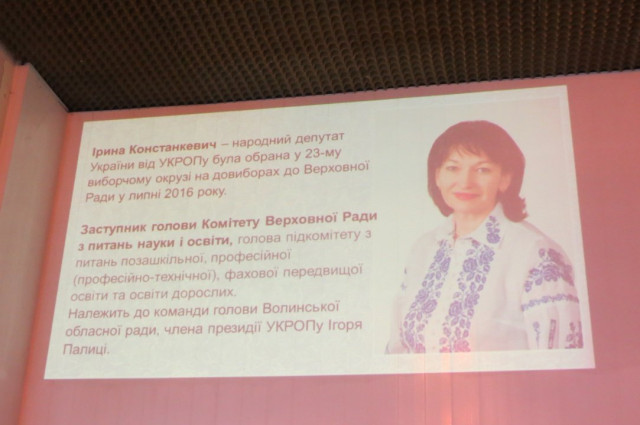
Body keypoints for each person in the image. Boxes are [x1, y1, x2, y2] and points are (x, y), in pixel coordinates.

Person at [387, 120, 583, 353]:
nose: (465, 182)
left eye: (482, 170)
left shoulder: (537, 253)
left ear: (505, 178)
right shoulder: (423, 248)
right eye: (453, 168)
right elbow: (397, 350)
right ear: (437, 176)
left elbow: (559, 362)